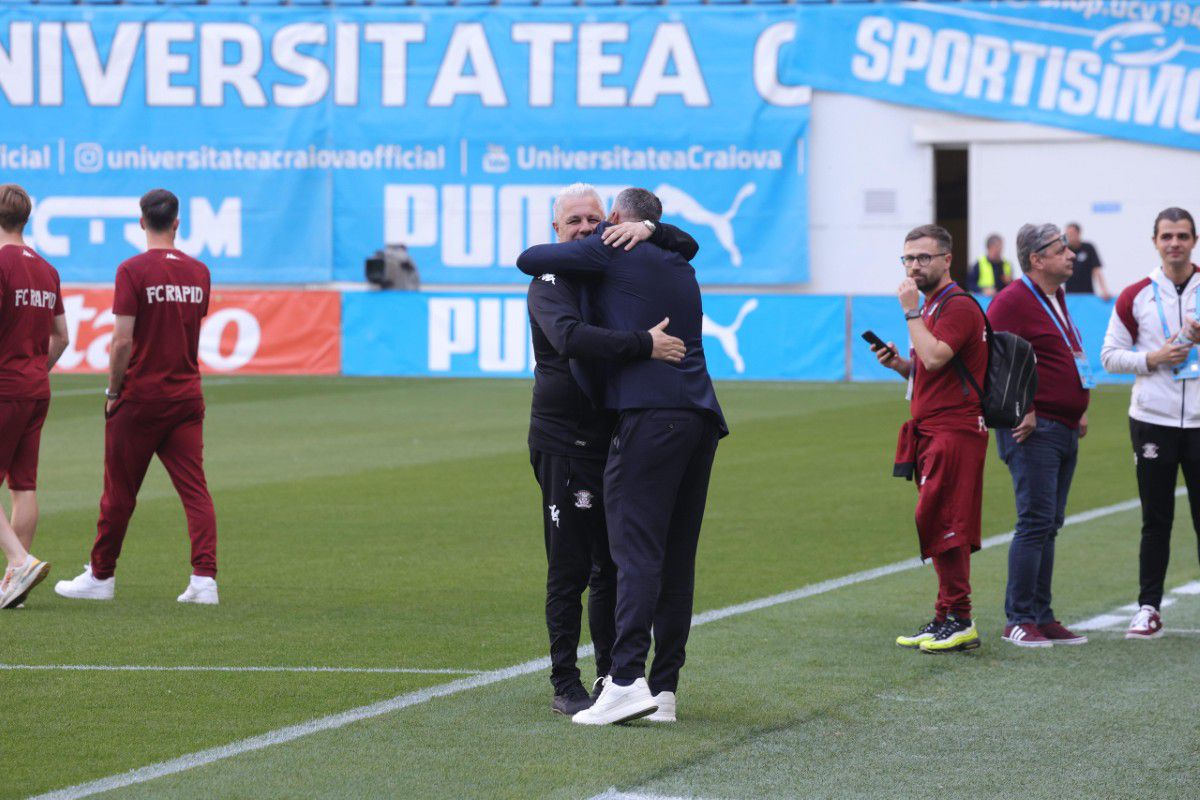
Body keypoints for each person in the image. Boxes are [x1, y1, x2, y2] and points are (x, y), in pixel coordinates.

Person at [517, 187, 727, 725]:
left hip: (629, 428)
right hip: (567, 439)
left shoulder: (616, 260)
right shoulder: (556, 280)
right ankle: (570, 681)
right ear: (556, 225)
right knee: (573, 567)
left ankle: (622, 679)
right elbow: (565, 333)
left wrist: (652, 231)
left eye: (595, 218)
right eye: (574, 221)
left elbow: (685, 243)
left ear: (613, 219)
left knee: (622, 562)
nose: (587, 227)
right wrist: (642, 343)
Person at [55, 189, 219, 605]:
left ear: (142, 222)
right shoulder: (200, 272)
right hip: (185, 397)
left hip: (142, 397)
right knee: (195, 490)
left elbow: (122, 340)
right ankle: (204, 580)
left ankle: (101, 576)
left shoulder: (132, 269)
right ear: (177, 223)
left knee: (119, 492)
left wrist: (113, 390)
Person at [873, 224, 988, 654]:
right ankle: (945, 616)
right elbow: (929, 367)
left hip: (954, 430)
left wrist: (910, 312)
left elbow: (938, 358)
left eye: (924, 257)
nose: (915, 265)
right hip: (934, 428)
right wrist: (902, 365)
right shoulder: (935, 305)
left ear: (946, 260)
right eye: (908, 258)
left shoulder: (954, 305)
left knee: (948, 523)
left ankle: (959, 618)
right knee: (938, 519)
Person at [987, 223, 1091, 648]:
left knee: (1050, 524)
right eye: (1059, 248)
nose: (1070, 254)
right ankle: (1020, 618)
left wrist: (1079, 409)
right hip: (1035, 429)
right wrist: (1021, 408)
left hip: (1063, 426)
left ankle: (1042, 615)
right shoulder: (1011, 300)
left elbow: (1060, 356)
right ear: (1036, 259)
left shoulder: (1056, 296)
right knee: (1034, 522)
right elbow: (989, 357)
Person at [1100, 207, 1200, 639]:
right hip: (1152, 421)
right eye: (1167, 236)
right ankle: (1148, 608)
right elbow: (1109, 356)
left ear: (1194, 240)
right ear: (1155, 241)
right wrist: (1152, 359)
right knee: (1156, 519)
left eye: (1182, 235)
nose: (1174, 243)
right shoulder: (1135, 294)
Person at [0, 184, 68, 609]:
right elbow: (62, 337)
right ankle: (15, 586)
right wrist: (34, 370)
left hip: (5, 386)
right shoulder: (46, 269)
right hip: (34, 388)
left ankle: (19, 560)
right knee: (23, 486)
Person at [1063, 222, 1112, 301]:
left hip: (1087, 294)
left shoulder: (1088, 248)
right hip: (1069, 296)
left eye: (1071, 233)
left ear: (1079, 233)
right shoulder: (1064, 250)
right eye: (1067, 234)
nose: (1069, 237)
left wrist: (1104, 290)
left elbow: (1096, 270)